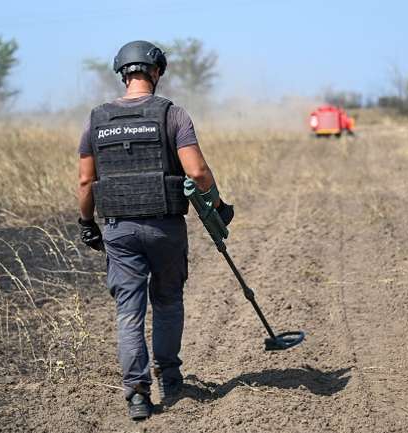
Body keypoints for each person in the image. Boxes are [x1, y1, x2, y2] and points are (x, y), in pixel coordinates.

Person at [76, 40, 233, 420]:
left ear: (122, 74)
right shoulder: (172, 115)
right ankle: (172, 378)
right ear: (156, 72)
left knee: (129, 312)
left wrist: (87, 223)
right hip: (165, 228)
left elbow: (85, 182)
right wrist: (218, 205)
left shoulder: (96, 119)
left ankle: (137, 394)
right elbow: (196, 172)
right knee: (167, 302)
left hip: (119, 230)